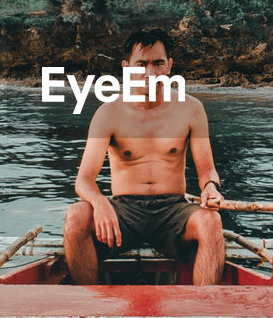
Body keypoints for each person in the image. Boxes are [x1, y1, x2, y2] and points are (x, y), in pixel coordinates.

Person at [62, 29, 225, 285]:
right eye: (142, 64)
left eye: (158, 63)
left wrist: (211, 187)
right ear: (127, 68)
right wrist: (101, 203)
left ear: (169, 66)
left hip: (174, 210)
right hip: (124, 211)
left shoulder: (191, 109)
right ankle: (88, 309)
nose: (150, 72)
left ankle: (203, 311)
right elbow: (83, 180)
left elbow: (207, 170)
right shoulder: (109, 113)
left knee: (212, 223)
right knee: (76, 215)